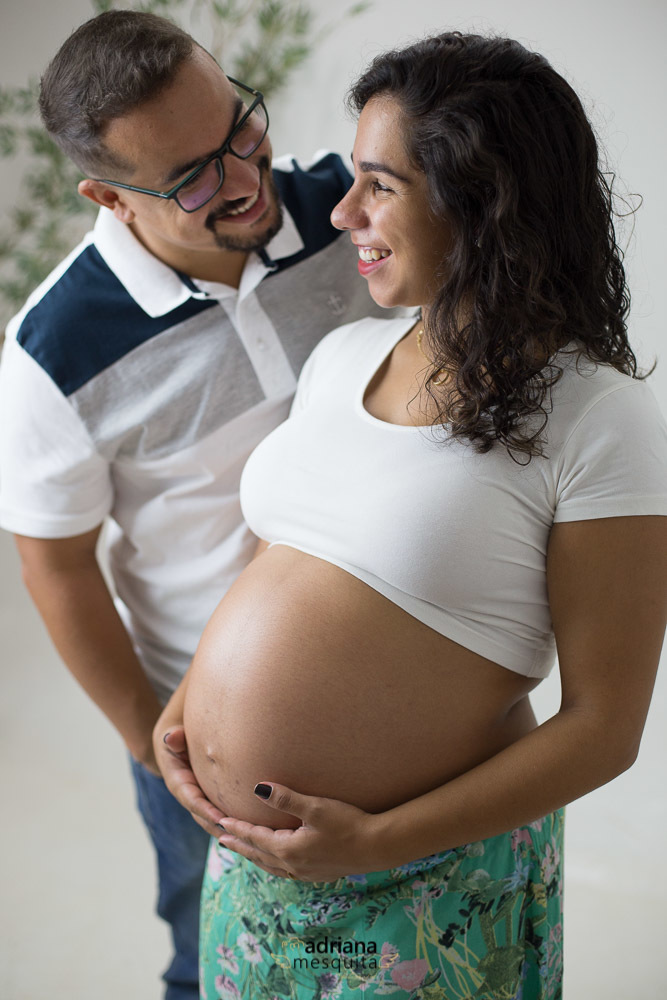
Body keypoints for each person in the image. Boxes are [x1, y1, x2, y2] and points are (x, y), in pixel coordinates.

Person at [154, 31, 667, 1000]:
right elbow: (287, 557)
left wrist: (375, 839)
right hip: (257, 879)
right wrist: (193, 704)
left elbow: (605, 727)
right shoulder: (347, 353)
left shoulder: (598, 413)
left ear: (482, 199)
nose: (343, 211)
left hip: (421, 887)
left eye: (379, 184)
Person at [0, 10, 393, 1000]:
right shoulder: (52, 354)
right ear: (107, 196)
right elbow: (54, 562)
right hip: (212, 732)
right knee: (214, 958)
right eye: (194, 177)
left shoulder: (350, 218)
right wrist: (150, 737)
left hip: (396, 685)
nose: (246, 178)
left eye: (241, 131)